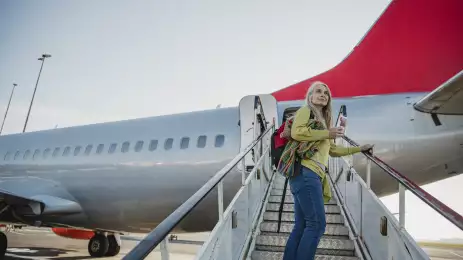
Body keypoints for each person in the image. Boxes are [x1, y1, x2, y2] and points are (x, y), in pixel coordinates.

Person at [282, 81, 374, 260]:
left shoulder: (323, 122)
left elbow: (332, 150)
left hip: (306, 175)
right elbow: (297, 132)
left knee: (301, 226)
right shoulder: (305, 111)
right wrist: (327, 133)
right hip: (307, 173)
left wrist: (359, 148)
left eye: (326, 92)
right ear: (310, 96)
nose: (323, 94)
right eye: (318, 91)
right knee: (316, 225)